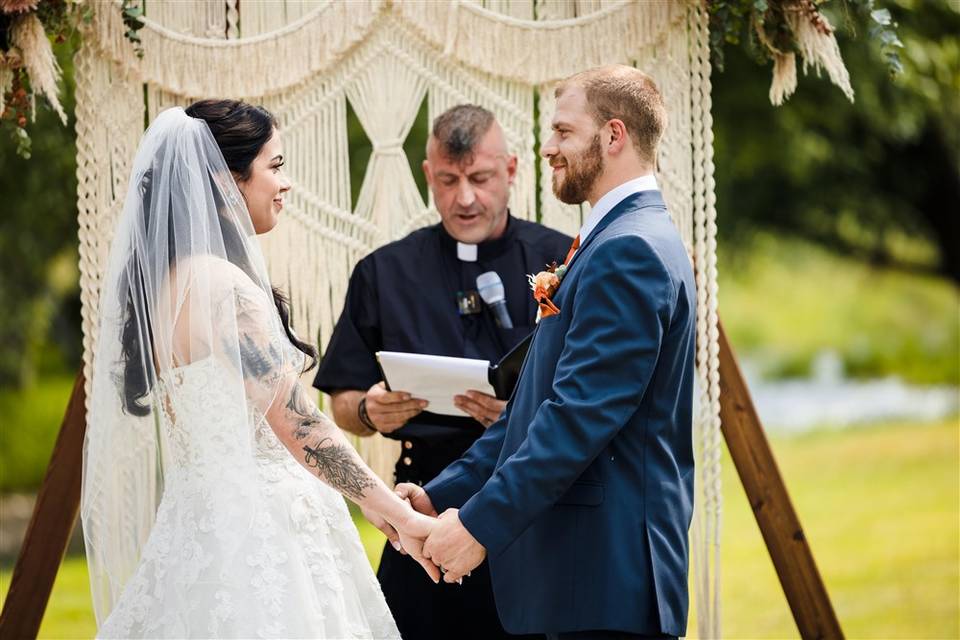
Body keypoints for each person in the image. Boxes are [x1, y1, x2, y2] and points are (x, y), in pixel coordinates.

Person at [81, 100, 439, 639]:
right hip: (263, 536)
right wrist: (398, 514)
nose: (286, 183)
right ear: (228, 182)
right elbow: (300, 425)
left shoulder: (169, 288)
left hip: (199, 525)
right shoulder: (221, 288)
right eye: (274, 166)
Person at [401, 65, 698, 639]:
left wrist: (479, 525)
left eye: (563, 131)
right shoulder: (615, 239)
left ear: (613, 136)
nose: (547, 147)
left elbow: (578, 418)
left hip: (607, 578)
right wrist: (441, 497)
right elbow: (535, 409)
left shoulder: (629, 248)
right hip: (585, 581)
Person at [313, 104, 571, 638]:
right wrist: (369, 409)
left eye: (479, 178)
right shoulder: (384, 271)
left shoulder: (562, 259)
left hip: (531, 508)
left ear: (512, 171)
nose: (465, 198)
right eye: (449, 181)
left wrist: (516, 416)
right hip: (424, 505)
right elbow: (342, 401)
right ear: (429, 175)